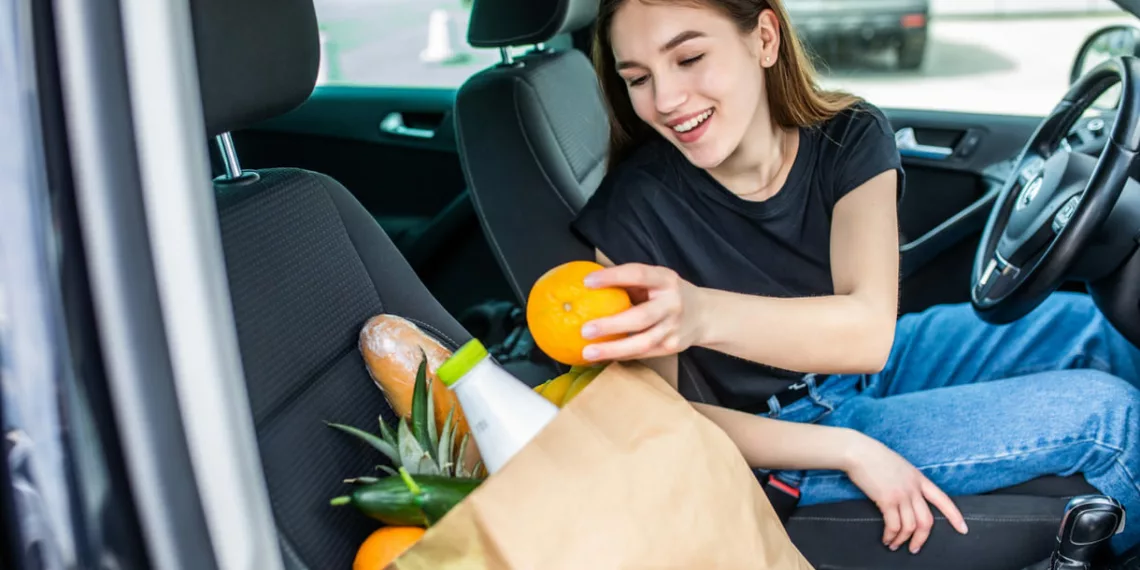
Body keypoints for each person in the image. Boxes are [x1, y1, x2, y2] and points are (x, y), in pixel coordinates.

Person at [569, 0, 1140, 558]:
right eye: (638, 78)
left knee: (1089, 327)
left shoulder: (849, 136)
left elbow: (868, 333)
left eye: (688, 59)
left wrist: (698, 313)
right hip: (771, 438)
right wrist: (844, 448)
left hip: (862, 375)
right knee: (1109, 417)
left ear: (764, 39)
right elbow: (661, 419)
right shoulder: (631, 212)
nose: (666, 99)